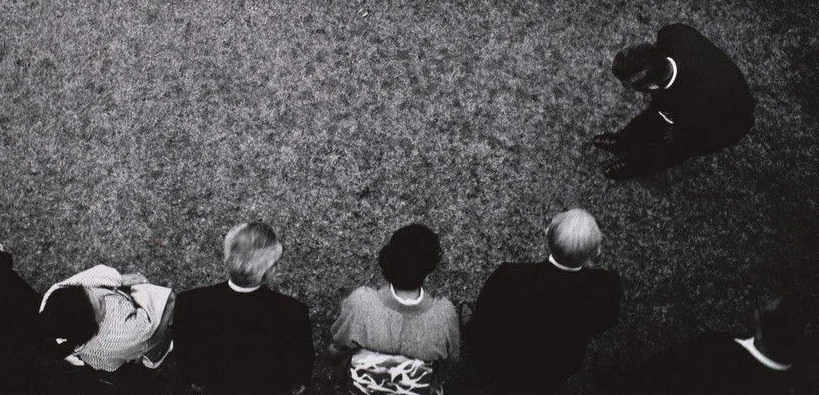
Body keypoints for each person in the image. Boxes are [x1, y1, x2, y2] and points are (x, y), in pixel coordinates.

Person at [462, 209, 621, 394]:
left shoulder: (510, 276)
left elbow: (487, 313)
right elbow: (608, 319)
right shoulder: (605, 285)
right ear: (596, 251)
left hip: (503, 357)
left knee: (481, 327)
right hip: (557, 365)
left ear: (548, 235)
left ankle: (469, 329)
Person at [594, 23, 754, 179]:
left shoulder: (699, 109)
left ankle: (633, 166)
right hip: (699, 100)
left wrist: (677, 135)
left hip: (724, 123)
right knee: (654, 117)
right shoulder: (671, 34)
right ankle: (624, 141)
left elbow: (691, 132)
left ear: (653, 86)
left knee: (673, 149)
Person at [172, 221, 313, 395]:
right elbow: (301, 369)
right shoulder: (293, 313)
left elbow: (186, 358)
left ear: (228, 257)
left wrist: (195, 381)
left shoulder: (189, 303)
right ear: (267, 271)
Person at [329, 224, 459, 395]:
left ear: (389, 260)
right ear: (429, 270)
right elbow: (449, 364)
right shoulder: (444, 314)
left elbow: (337, 350)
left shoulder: (360, 302)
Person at [613, 296, 809, 394]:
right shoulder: (796, 382)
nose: (763, 297)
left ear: (760, 331)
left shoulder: (713, 352)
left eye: (763, 305)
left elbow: (663, 371)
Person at [39, 264, 174, 372]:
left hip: (85, 346)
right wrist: (142, 288)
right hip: (131, 338)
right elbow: (151, 320)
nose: (101, 295)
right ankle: (155, 355)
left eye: (90, 291)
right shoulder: (118, 334)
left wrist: (120, 278)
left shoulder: (56, 298)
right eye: (101, 306)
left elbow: (91, 277)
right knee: (154, 336)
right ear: (95, 327)